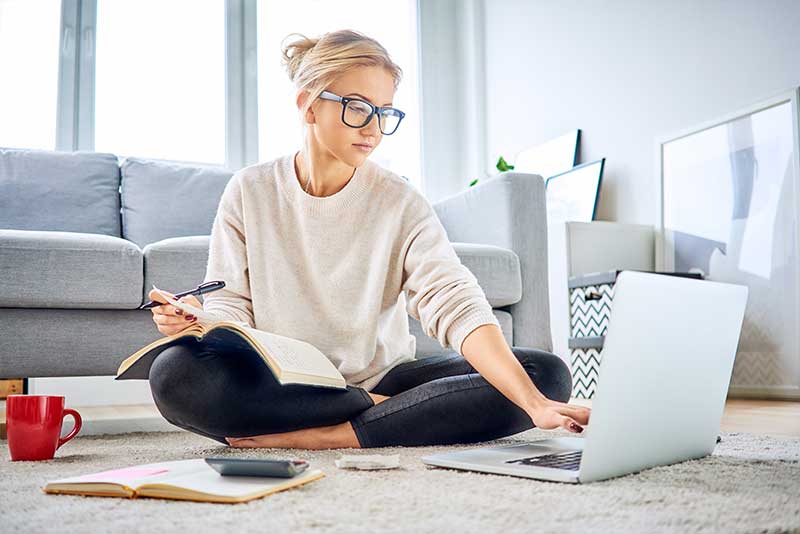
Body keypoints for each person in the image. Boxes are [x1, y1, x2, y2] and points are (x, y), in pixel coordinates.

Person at [146, 29, 591, 450]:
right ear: (308, 105)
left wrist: (534, 404)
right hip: (282, 380)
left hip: (383, 379)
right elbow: (230, 302)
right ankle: (391, 419)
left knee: (545, 376)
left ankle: (332, 434)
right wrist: (202, 323)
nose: (374, 127)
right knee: (174, 374)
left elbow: (452, 297)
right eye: (358, 106)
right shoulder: (250, 190)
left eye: (385, 112)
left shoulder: (400, 200)